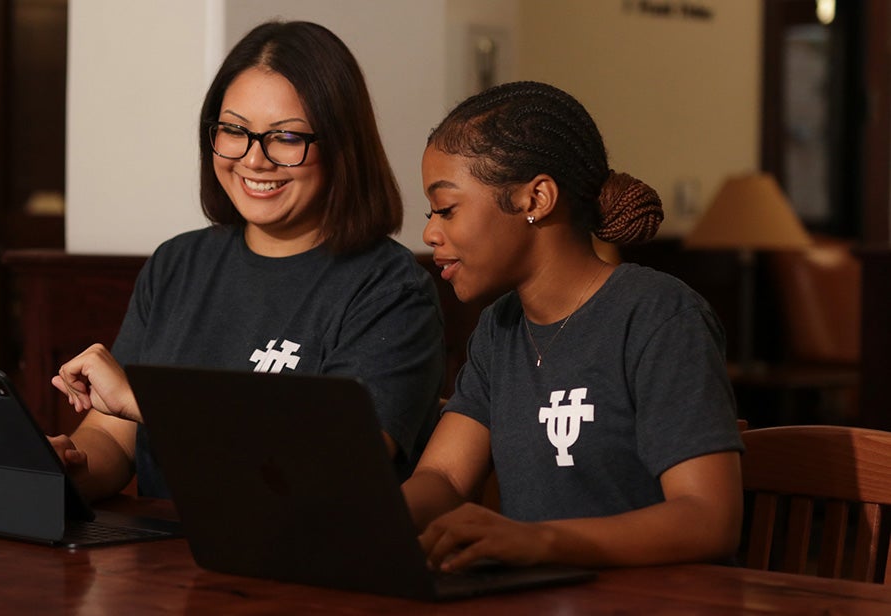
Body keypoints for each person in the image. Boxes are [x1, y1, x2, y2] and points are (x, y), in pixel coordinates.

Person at [48, 20, 445, 501]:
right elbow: (115, 435)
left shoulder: (390, 290)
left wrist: (146, 403)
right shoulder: (178, 263)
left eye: (286, 137)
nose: (255, 160)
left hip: (297, 562)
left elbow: (335, 462)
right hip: (163, 558)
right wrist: (68, 468)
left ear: (342, 146)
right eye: (235, 130)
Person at [403, 81, 744, 572]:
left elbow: (709, 518)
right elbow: (446, 478)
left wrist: (539, 541)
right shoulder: (498, 330)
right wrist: (366, 518)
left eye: (447, 209)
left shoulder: (659, 315)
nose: (430, 233)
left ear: (535, 199)